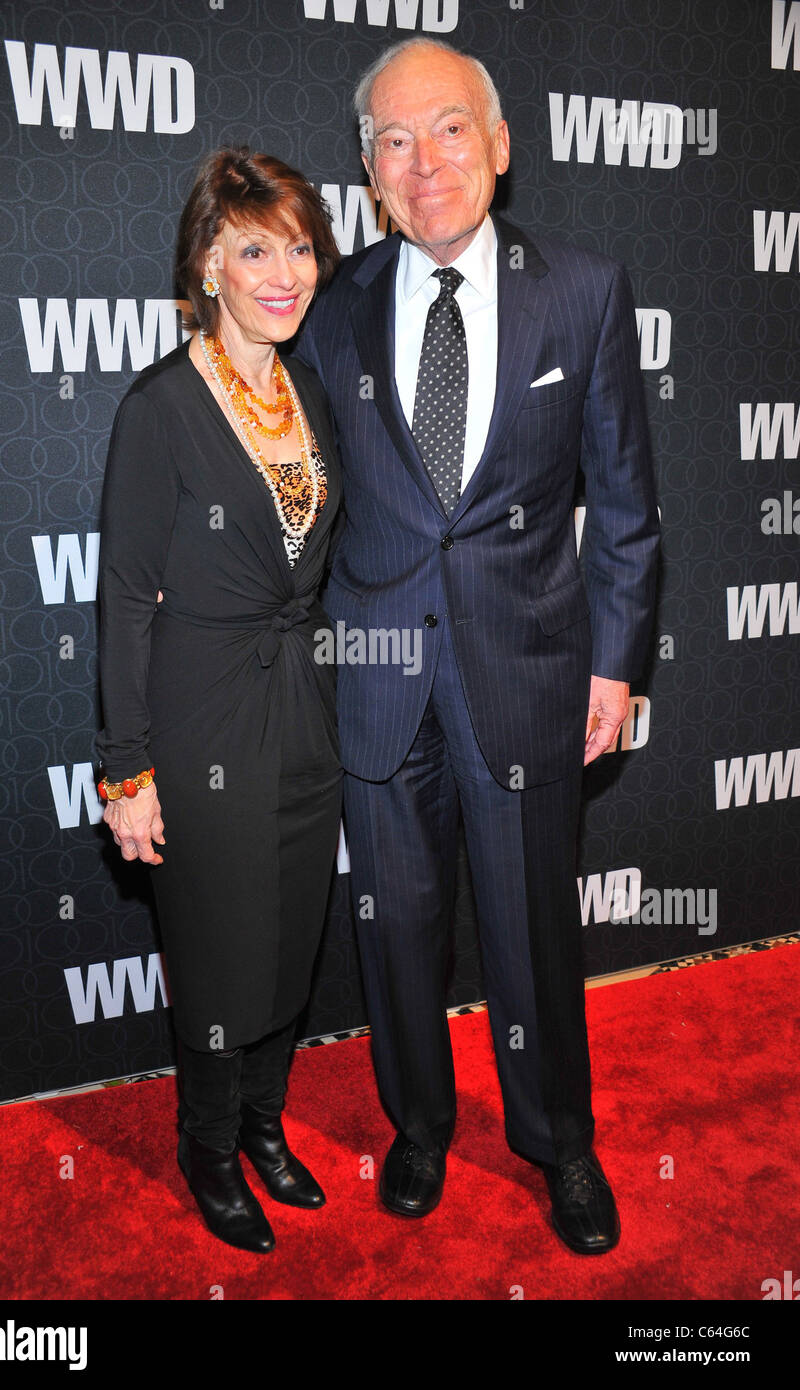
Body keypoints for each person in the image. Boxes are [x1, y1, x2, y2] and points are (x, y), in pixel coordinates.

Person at [293, 38, 660, 1254]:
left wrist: (616, 665)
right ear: (367, 170)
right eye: (393, 140)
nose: (423, 160)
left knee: (530, 929)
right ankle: (416, 1126)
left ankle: (559, 1140)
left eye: (448, 128)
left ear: (500, 146)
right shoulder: (331, 310)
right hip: (377, 679)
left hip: (528, 674)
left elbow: (623, 503)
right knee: (395, 923)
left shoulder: (583, 289)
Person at [95, 148, 342, 1254]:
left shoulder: (310, 389)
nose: (283, 272)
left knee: (290, 940)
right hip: (198, 723)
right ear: (208, 263)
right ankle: (207, 1147)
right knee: (216, 948)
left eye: (298, 245)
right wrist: (127, 768)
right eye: (255, 248)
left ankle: (262, 1123)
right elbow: (124, 601)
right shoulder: (160, 406)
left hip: (301, 709)